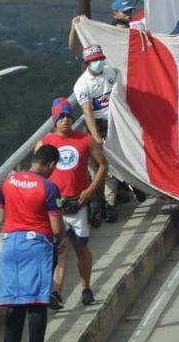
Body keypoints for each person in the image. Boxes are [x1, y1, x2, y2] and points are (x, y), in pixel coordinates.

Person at [39, 97, 108, 309]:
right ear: (54, 119)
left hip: (78, 202)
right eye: (61, 117)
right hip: (54, 206)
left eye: (68, 116)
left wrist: (90, 190)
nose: (65, 121)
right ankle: (56, 293)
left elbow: (103, 165)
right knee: (59, 249)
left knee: (81, 247)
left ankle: (86, 288)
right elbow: (37, 173)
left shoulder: (85, 140)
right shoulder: (44, 142)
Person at [0, 144, 64, 342]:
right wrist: (61, 240)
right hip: (36, 247)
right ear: (51, 165)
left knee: (14, 305)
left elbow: (2, 218)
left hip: (10, 246)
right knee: (36, 303)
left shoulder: (7, 182)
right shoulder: (49, 187)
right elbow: (57, 228)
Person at [71, 40, 123, 221]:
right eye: (95, 60)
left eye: (101, 58)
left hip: (118, 121)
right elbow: (87, 113)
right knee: (100, 167)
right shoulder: (82, 85)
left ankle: (113, 199)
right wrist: (94, 135)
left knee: (121, 160)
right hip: (99, 125)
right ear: (87, 63)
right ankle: (104, 203)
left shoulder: (111, 72)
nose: (99, 62)